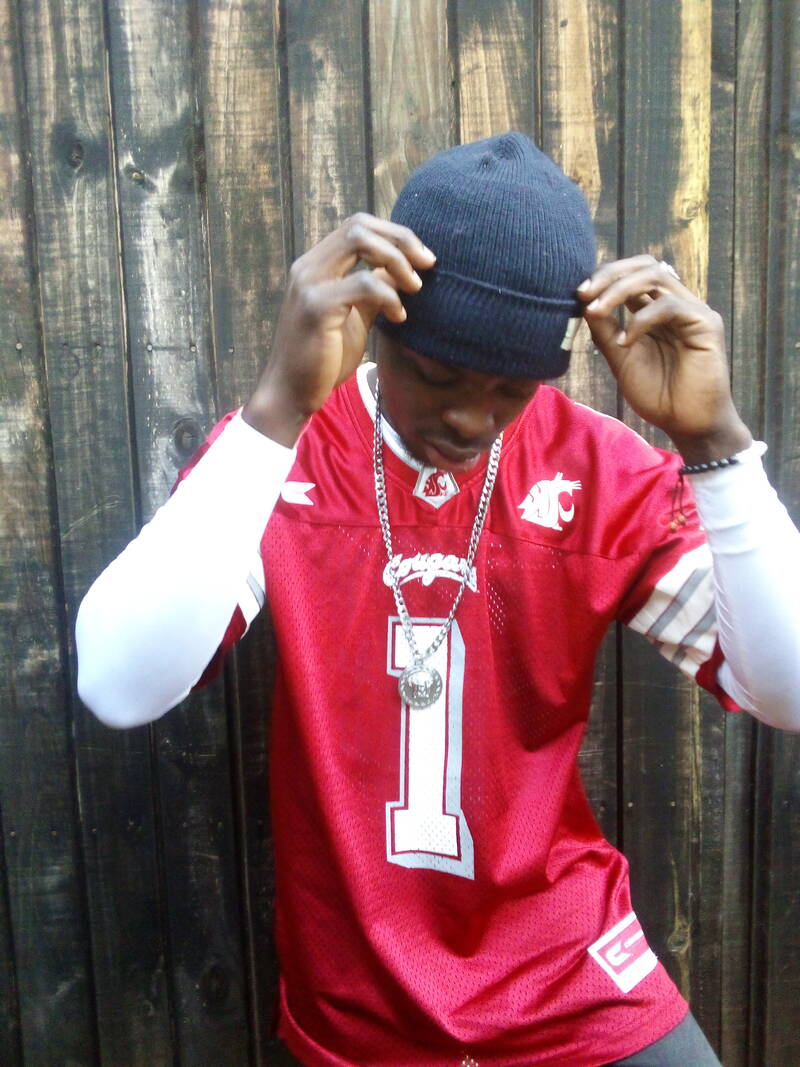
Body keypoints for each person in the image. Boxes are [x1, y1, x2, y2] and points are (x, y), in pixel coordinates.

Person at [76, 133, 800, 1066]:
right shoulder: (285, 455)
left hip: (568, 975)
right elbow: (118, 684)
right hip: (364, 993)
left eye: (509, 389)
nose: (468, 415)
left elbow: (787, 688)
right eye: (437, 373)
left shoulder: (598, 468)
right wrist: (276, 409)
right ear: (382, 324)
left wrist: (717, 445)